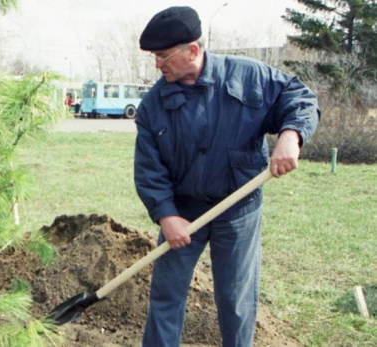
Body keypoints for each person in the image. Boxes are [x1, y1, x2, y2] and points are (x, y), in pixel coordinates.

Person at [134, 6, 320, 347]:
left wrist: (291, 135)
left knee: (235, 302)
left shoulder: (247, 77)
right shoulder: (153, 106)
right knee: (166, 297)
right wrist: (165, 215)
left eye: (162, 56)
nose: (157, 65)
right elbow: (149, 168)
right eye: (154, 57)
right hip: (182, 212)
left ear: (192, 51)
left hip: (238, 210)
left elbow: (300, 98)